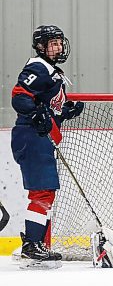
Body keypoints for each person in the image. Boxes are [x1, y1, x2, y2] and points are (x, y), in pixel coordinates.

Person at [11, 25, 84, 269]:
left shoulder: (52, 71)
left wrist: (65, 113)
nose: (59, 47)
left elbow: (47, 108)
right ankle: (32, 244)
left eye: (60, 43)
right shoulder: (38, 67)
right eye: (53, 43)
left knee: (46, 192)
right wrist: (35, 116)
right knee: (42, 192)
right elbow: (20, 96)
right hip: (31, 136)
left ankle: (35, 242)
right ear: (41, 46)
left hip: (39, 137)